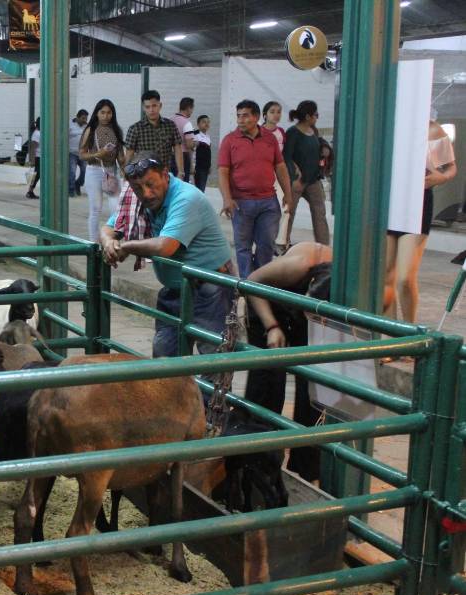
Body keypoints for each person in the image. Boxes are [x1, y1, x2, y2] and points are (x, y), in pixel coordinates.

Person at [100, 157, 235, 358]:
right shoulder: (136, 197)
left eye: (151, 184)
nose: (146, 193)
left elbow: (165, 246)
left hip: (210, 288)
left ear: (165, 174)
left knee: (213, 360)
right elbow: (109, 227)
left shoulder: (187, 198)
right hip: (175, 289)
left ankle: (210, 389)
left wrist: (126, 246)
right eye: (138, 188)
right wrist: (109, 242)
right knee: (165, 357)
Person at [246, 241, 332, 483]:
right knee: (268, 387)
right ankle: (257, 461)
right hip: (267, 305)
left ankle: (306, 469)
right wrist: (271, 326)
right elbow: (251, 283)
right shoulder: (298, 266)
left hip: (312, 317)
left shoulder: (352, 282)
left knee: (314, 390)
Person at [383, 118, 457, 324]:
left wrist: (441, 178)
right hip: (388, 200)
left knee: (404, 278)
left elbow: (451, 168)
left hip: (417, 203)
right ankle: (389, 337)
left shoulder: (432, 129)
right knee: (385, 276)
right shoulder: (387, 123)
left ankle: (408, 332)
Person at [218, 99, 294, 279]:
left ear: (257, 117)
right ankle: (246, 285)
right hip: (241, 203)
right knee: (243, 247)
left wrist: (288, 194)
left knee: (266, 245)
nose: (240, 120)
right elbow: (222, 171)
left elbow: (280, 167)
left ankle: (260, 282)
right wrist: (227, 199)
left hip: (268, 202)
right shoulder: (230, 141)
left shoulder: (269, 139)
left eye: (245, 116)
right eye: (238, 116)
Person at [280, 100, 329, 250]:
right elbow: (286, 156)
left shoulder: (313, 130)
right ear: (308, 116)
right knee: (290, 213)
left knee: (319, 213)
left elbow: (319, 142)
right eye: (316, 114)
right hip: (297, 181)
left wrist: (325, 147)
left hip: (313, 180)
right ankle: (283, 243)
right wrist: (294, 178)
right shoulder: (293, 133)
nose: (317, 117)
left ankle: (324, 246)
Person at [80, 99, 126, 241]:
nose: (106, 116)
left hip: (111, 172)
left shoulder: (116, 130)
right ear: (97, 113)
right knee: (96, 209)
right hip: (94, 170)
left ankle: (112, 240)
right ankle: (94, 243)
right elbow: (82, 154)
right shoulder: (91, 129)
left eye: (109, 113)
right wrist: (97, 154)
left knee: (117, 208)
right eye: (103, 112)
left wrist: (125, 172)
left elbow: (120, 156)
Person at [123, 90, 184, 175]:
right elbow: (129, 154)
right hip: (143, 176)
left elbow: (178, 149)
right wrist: (126, 173)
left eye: (154, 106)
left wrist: (181, 172)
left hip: (165, 174)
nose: (151, 110)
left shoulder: (170, 126)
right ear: (143, 108)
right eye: (147, 107)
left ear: (160, 105)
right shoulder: (135, 129)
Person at [171, 97, 196, 182]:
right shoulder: (187, 123)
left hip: (170, 156)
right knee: (182, 184)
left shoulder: (170, 120)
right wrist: (195, 143)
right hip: (183, 156)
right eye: (192, 108)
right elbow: (189, 145)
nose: (192, 111)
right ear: (189, 108)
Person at [68, 109, 88, 197]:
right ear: (77, 117)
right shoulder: (70, 125)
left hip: (83, 153)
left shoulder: (86, 126)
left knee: (85, 171)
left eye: (86, 118)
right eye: (83, 118)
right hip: (72, 153)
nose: (85, 120)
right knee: (72, 172)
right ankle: (71, 190)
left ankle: (78, 184)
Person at [193, 114, 212, 193]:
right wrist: (192, 166)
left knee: (202, 188)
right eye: (204, 122)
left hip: (205, 167)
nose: (206, 124)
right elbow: (192, 151)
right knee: (198, 189)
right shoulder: (195, 134)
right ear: (198, 124)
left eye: (208, 122)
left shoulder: (208, 136)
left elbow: (208, 152)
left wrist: (209, 166)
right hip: (198, 167)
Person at [26, 117, 41, 199]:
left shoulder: (40, 132)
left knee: (38, 175)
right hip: (38, 157)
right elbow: (33, 148)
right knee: (37, 175)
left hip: (41, 157)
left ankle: (30, 191)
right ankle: (30, 191)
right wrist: (32, 160)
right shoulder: (37, 134)